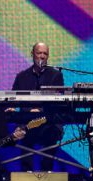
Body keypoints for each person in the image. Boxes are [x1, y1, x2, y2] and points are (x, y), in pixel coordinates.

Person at [11, 42, 65, 171]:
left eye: (45, 54)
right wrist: (12, 107)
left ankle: (46, 173)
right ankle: (26, 175)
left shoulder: (56, 75)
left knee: (52, 132)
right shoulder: (22, 76)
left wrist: (40, 111)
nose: (42, 56)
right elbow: (13, 100)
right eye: (39, 53)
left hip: (48, 121)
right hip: (27, 122)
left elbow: (59, 102)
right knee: (23, 132)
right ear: (32, 54)